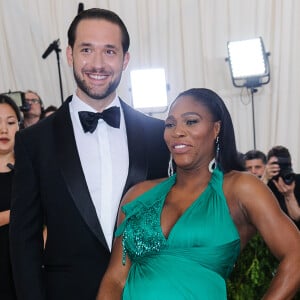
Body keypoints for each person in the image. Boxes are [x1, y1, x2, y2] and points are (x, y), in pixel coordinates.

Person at [9, 8, 169, 300]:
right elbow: (24, 241)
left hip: (146, 291)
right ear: (70, 55)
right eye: (87, 50)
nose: (98, 64)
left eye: (109, 51)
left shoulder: (157, 136)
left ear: (125, 59)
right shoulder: (34, 142)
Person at [97, 88, 300, 300]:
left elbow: (296, 255)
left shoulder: (241, 188)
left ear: (216, 129)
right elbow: (115, 279)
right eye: (170, 124)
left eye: (191, 121)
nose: (177, 132)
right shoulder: (138, 195)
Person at [0, 94, 21, 299]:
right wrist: (17, 214)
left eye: (10, 122)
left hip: (25, 267)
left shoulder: (30, 168)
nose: (4, 129)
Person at [265, 145, 300, 229]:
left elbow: (297, 217)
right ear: (267, 166)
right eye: (274, 165)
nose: (279, 168)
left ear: (290, 164)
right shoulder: (265, 184)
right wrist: (265, 178)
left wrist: (289, 195)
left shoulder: (298, 180)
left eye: (284, 164)